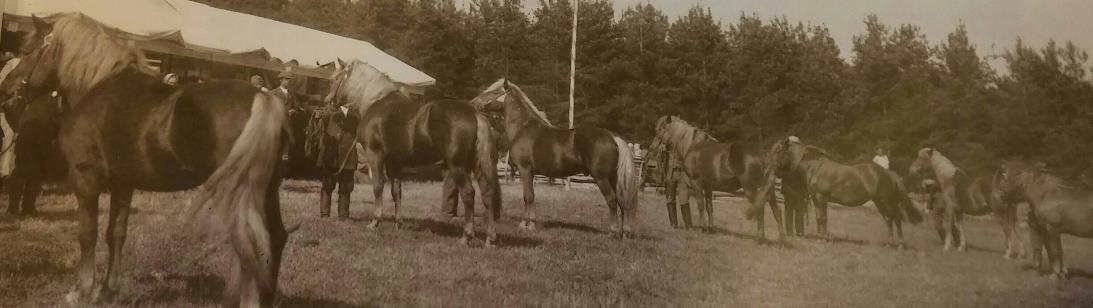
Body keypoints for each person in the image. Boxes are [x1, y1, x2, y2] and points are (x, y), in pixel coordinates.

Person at [316, 103, 359, 219]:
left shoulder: (356, 115)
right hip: (331, 154)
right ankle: (324, 214)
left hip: (348, 155)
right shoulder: (329, 112)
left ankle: (343, 215)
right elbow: (321, 120)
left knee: (346, 186)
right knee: (327, 185)